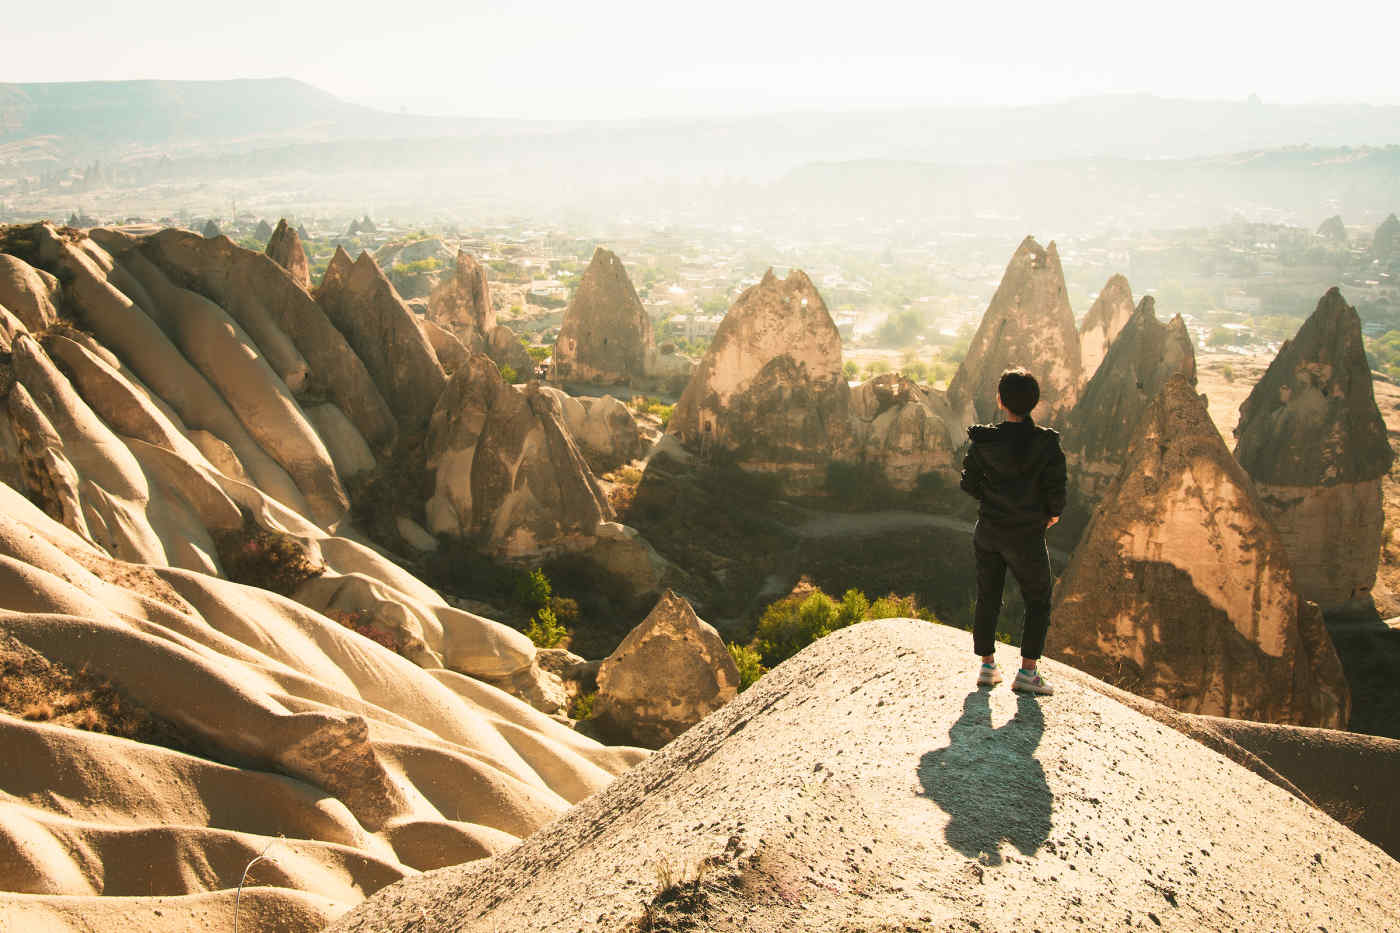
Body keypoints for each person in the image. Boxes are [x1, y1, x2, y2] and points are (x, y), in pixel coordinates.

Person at [958, 368, 1066, 695]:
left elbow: (968, 482)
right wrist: (1051, 514)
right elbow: (1057, 488)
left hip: (989, 530)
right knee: (1038, 600)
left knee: (988, 596)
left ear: (1000, 400)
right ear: (1034, 403)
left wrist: (991, 500)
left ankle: (987, 667)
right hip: (1026, 535)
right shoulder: (1046, 444)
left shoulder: (984, 441)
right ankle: (1028, 672)